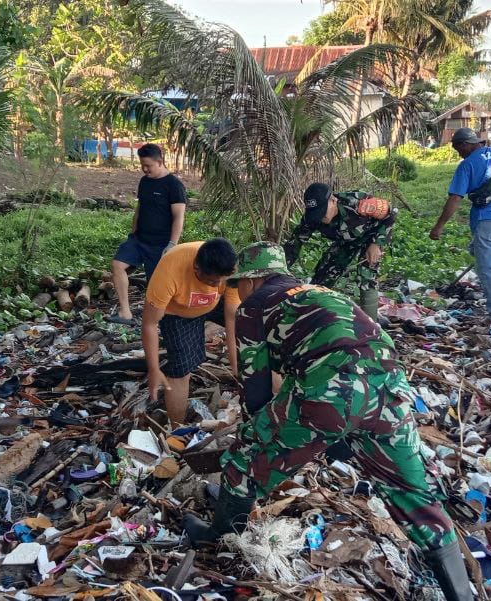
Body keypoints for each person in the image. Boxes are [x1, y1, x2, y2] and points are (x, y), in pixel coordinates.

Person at [184, 242, 473, 601]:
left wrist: (257, 436)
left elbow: (255, 384)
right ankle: (462, 593)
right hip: (389, 386)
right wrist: (331, 435)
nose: (237, 290)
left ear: (253, 279)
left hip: (333, 386)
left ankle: (220, 539)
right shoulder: (319, 292)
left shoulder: (254, 307)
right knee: (412, 493)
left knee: (245, 458)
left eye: (239, 282)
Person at [429, 127, 491, 327]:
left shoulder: (466, 166)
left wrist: (439, 226)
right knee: (476, 250)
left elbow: (455, 198)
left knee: (486, 267)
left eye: (458, 149)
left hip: (486, 221)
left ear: (466, 144)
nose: (459, 154)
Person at [142, 238, 239, 426]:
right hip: (178, 312)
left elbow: (231, 318)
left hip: (214, 305)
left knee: (250, 324)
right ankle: (177, 429)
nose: (216, 285)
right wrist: (153, 369)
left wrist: (236, 366)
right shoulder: (170, 270)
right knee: (181, 369)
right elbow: (149, 324)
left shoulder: (230, 270)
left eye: (220, 281)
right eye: (211, 280)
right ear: (196, 267)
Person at [281, 182, 395, 318]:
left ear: (333, 200)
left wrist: (376, 244)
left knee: (366, 276)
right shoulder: (311, 218)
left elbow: (391, 215)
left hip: (371, 237)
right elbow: (295, 244)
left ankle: (372, 325)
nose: (321, 217)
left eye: (323, 211)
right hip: (345, 242)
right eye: (317, 213)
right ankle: (312, 314)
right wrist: (281, 268)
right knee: (324, 275)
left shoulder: (358, 202)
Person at [108, 143, 187, 326]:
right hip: (139, 239)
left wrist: (172, 245)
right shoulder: (144, 181)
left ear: (160, 162)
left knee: (155, 287)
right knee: (118, 264)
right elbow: (140, 207)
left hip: (160, 244)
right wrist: (133, 232)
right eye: (142, 165)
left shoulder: (174, 186)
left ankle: (160, 321)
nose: (144, 169)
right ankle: (125, 313)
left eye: (148, 166)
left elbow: (178, 217)